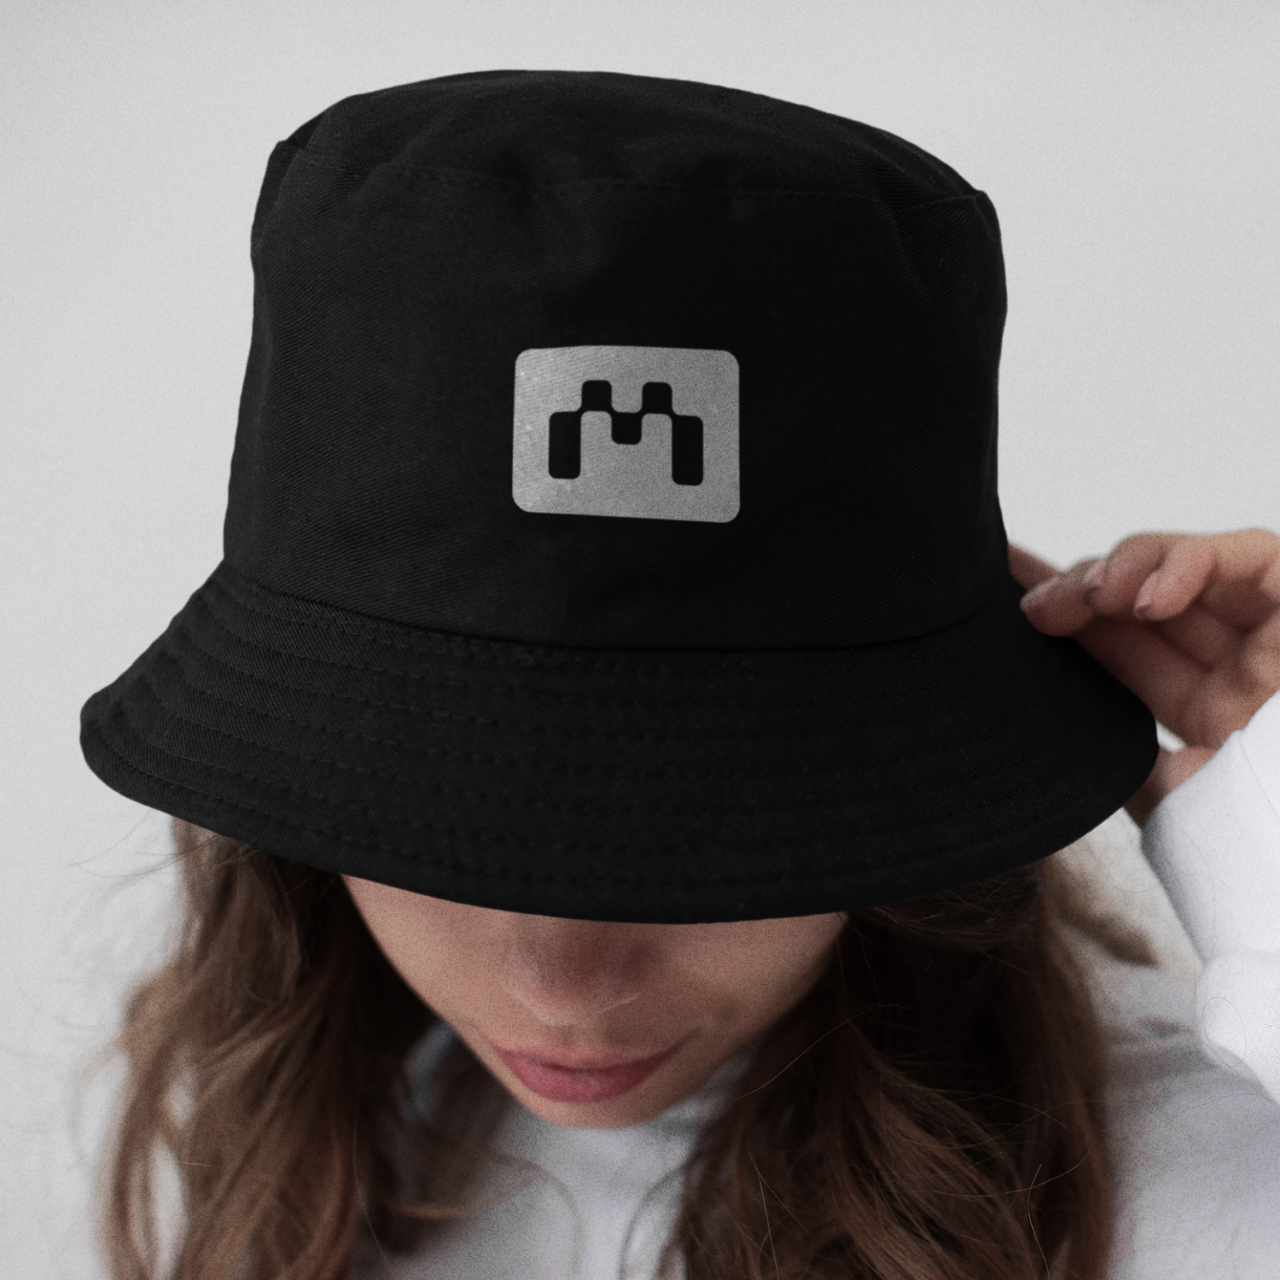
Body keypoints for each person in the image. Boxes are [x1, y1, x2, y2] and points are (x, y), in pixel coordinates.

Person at [78, 70, 1280, 1280]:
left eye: (690, 832)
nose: (563, 987)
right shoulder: (290, 1132)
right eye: (439, 818)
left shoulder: (1187, 1196)